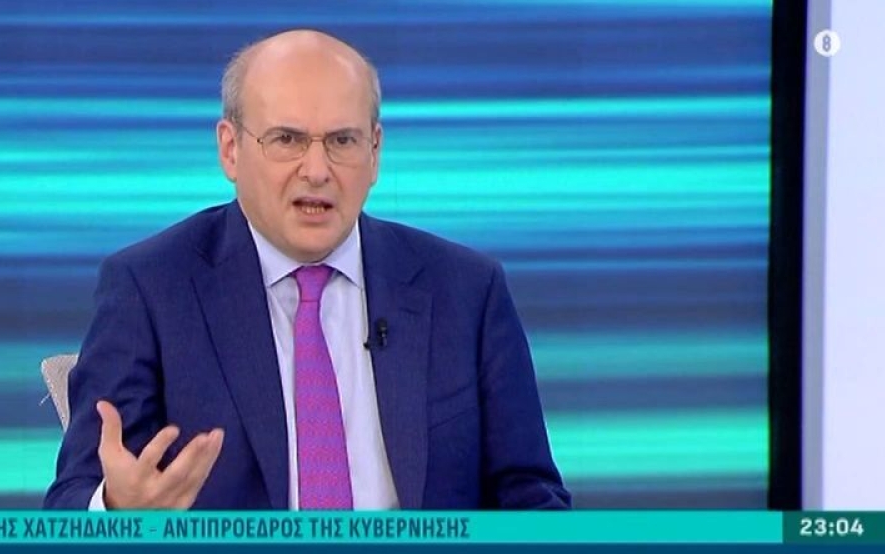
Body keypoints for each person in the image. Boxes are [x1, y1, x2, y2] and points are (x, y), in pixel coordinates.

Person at [44, 29, 570, 514]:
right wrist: (118, 511)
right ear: (230, 149)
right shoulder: (151, 289)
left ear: (375, 152)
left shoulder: (466, 291)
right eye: (287, 140)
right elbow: (70, 504)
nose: (317, 171)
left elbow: (531, 495)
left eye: (342, 141)